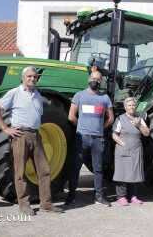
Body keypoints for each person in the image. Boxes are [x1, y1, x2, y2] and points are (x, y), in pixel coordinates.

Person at [0, 66, 63, 216]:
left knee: (45, 171)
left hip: (36, 135)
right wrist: (5, 128)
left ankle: (46, 204)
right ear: (23, 78)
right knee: (20, 172)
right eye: (29, 76)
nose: (32, 79)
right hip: (20, 135)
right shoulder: (14, 93)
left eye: (35, 77)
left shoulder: (37, 95)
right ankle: (24, 205)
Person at [66, 70, 114, 207]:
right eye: (93, 78)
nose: (96, 81)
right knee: (76, 168)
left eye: (98, 79)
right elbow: (71, 116)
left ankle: (98, 196)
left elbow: (110, 119)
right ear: (89, 79)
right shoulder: (79, 95)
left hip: (98, 139)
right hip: (82, 138)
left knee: (98, 169)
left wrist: (100, 128)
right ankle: (71, 195)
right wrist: (81, 127)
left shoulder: (105, 98)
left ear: (101, 81)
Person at [112, 97, 150, 206]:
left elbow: (147, 133)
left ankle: (133, 196)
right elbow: (114, 134)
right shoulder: (120, 119)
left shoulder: (140, 119)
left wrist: (139, 125)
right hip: (123, 149)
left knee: (134, 173)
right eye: (129, 105)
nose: (132, 107)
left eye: (133, 105)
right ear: (125, 107)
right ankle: (121, 197)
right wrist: (123, 144)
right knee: (122, 173)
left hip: (136, 150)